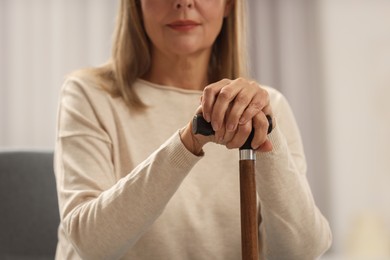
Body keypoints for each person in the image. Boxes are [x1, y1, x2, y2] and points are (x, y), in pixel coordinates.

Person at [54, 0, 332, 259]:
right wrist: (189, 140)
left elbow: (304, 250)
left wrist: (266, 135)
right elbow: (92, 244)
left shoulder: (269, 108)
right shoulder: (89, 95)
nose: (184, 2)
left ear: (228, 5)